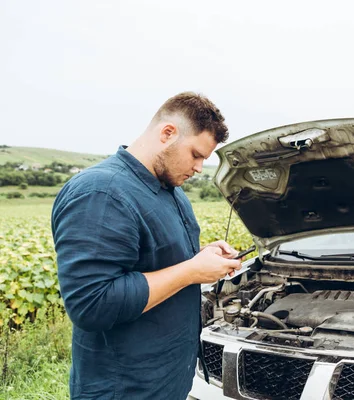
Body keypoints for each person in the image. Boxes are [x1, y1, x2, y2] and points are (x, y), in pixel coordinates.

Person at [51, 92, 242, 399]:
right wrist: (192, 270)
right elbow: (92, 304)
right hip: (124, 388)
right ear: (168, 133)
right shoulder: (102, 192)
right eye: (195, 154)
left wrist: (201, 258)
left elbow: (162, 262)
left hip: (167, 381)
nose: (198, 168)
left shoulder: (171, 191)